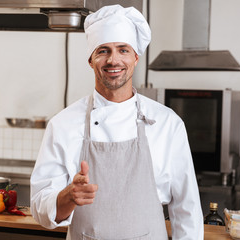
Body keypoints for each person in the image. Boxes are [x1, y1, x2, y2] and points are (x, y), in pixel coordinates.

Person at [31, 4, 204, 240]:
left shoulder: (167, 124)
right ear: (91, 60)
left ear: (135, 57)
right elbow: (40, 210)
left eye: (123, 50)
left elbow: (187, 210)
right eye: (103, 50)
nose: (113, 60)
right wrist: (68, 197)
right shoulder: (63, 124)